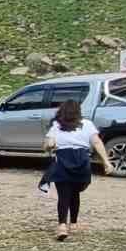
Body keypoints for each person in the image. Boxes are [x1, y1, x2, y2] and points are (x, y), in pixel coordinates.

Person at [40, 100, 110, 241]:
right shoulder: (87, 124)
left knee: (64, 194)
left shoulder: (56, 125)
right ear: (78, 111)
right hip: (81, 161)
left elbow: (46, 145)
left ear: (62, 111)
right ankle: (73, 224)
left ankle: (62, 226)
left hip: (63, 160)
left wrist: (49, 145)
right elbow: (97, 142)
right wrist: (106, 162)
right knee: (75, 192)